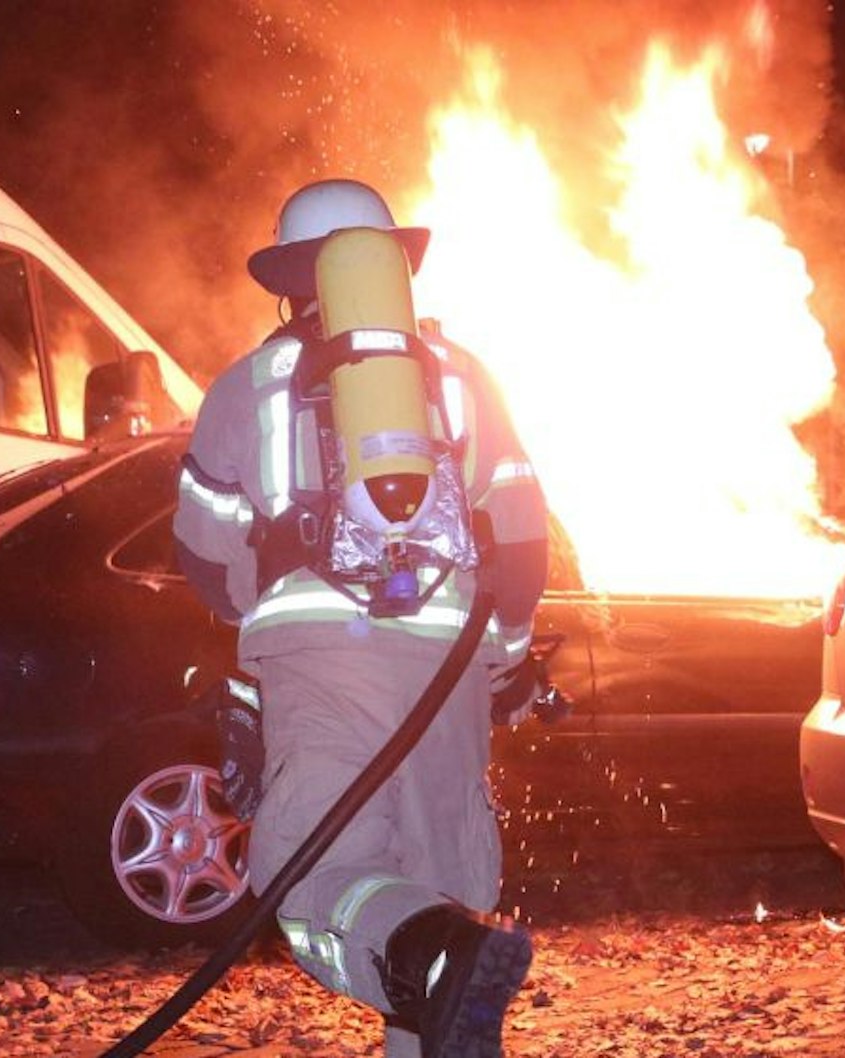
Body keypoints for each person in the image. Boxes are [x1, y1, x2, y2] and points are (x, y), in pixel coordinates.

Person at [172, 178, 549, 1058]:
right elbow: (523, 542)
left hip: (323, 665)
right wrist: (508, 663)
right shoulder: (462, 377)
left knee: (312, 878)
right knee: (435, 893)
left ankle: (446, 958)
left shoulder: (252, 382)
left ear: (291, 280)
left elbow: (202, 549)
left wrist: (264, 618)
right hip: (451, 667)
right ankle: (446, 974)